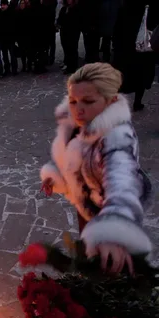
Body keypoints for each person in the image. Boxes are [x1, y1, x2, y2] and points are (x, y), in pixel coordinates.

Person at [40, 63, 152, 275]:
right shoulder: (78, 124)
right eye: (73, 101)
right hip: (87, 207)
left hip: (109, 213)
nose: (78, 108)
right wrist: (56, 177)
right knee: (91, 263)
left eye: (88, 101)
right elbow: (74, 158)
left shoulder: (116, 137)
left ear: (110, 101)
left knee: (110, 274)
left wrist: (112, 233)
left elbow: (123, 182)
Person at [113, 0, 159, 112]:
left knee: (123, 73)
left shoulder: (126, 4)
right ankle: (137, 102)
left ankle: (117, 101)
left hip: (126, 43)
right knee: (142, 74)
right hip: (144, 45)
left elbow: (119, 23)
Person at [57, 0, 81, 74]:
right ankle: (68, 64)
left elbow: (78, 21)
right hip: (64, 32)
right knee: (66, 49)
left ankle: (72, 67)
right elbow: (59, 19)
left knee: (72, 49)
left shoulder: (76, 8)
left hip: (73, 33)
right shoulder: (64, 8)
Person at [0, 0, 18, 76]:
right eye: (1, 5)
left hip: (10, 38)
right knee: (5, 56)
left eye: (4, 5)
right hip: (3, 39)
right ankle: (7, 70)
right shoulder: (0, 13)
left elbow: (14, 25)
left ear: (7, 5)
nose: (2, 6)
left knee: (13, 55)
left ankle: (14, 69)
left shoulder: (12, 12)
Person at [15, 0, 33, 72]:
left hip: (28, 35)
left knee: (28, 51)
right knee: (22, 52)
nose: (22, 5)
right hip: (20, 36)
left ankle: (29, 65)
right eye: (21, 3)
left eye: (23, 3)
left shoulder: (29, 12)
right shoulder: (17, 13)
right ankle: (24, 66)